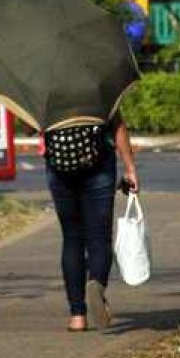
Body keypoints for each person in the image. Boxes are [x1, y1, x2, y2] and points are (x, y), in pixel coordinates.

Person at [44, 114, 138, 332]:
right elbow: (118, 126)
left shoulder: (47, 90)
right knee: (99, 236)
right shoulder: (99, 85)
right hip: (99, 167)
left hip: (60, 170)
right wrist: (130, 168)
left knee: (71, 238)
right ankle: (96, 282)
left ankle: (77, 316)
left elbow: (36, 128)